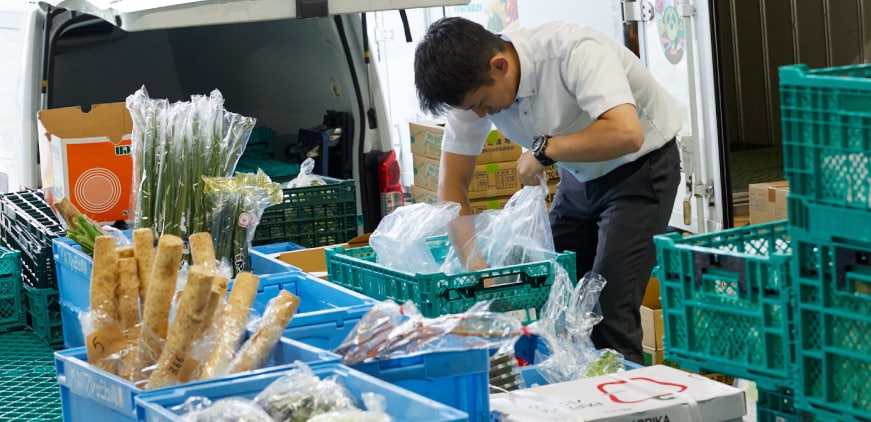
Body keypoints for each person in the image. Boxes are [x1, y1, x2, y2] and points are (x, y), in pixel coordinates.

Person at [413, 16, 681, 364]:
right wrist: (477, 268)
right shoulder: (472, 89)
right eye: (471, 108)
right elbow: (452, 188)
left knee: (608, 311)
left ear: (499, 65)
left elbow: (626, 133)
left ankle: (620, 394)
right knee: (550, 291)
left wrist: (543, 151)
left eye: (481, 103)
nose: (480, 114)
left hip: (639, 169)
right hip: (578, 176)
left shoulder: (573, 51)